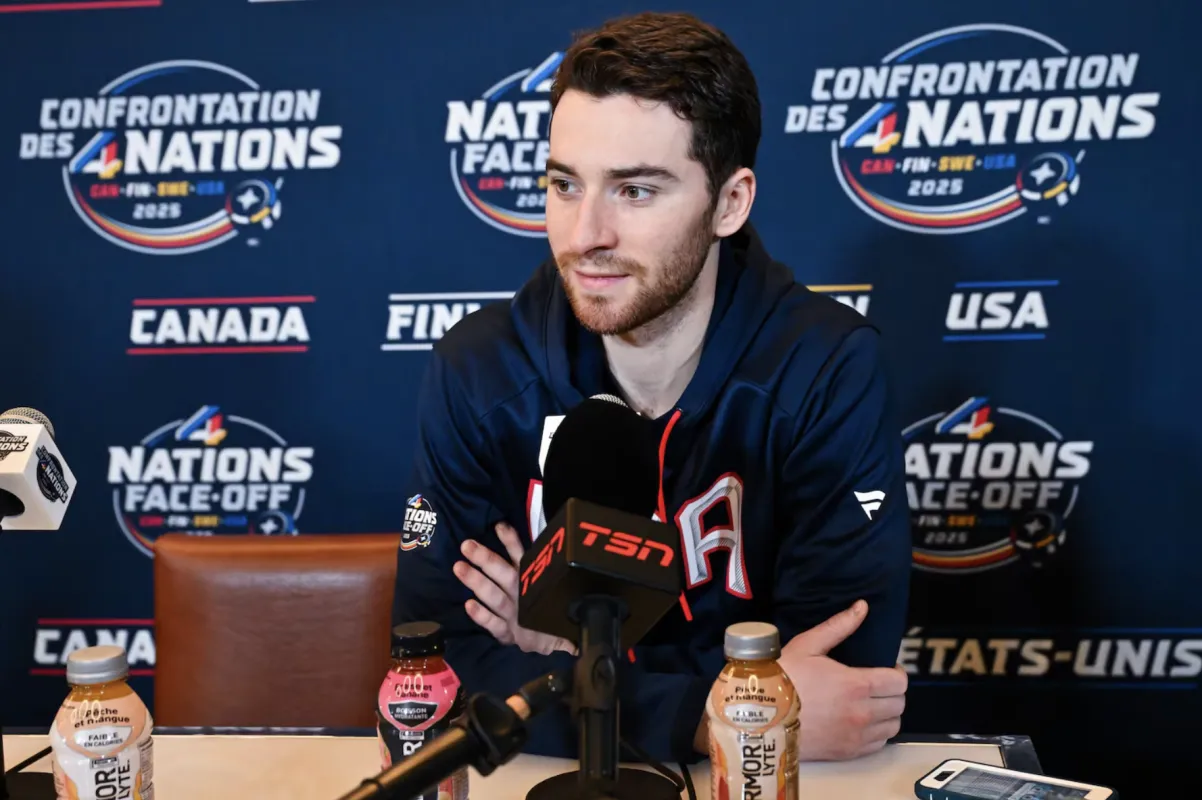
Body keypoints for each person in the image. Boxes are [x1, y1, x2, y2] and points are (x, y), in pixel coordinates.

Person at [393, 11, 911, 765]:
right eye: (565, 185)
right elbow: (432, 674)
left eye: (635, 191)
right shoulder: (480, 371)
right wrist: (713, 714)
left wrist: (572, 658)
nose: (585, 234)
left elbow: (839, 687)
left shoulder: (824, 369)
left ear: (729, 203)